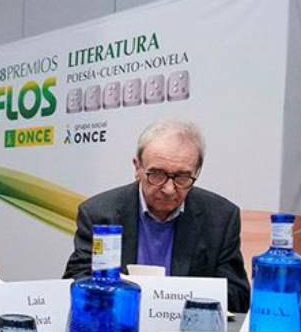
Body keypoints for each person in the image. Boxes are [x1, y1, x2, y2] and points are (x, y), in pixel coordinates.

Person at [60, 117, 251, 314]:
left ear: (197, 171)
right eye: (157, 175)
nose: (169, 189)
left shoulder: (220, 218)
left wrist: (174, 298)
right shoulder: (99, 213)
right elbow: (76, 281)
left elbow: (238, 297)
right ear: (137, 167)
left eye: (182, 177)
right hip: (118, 325)